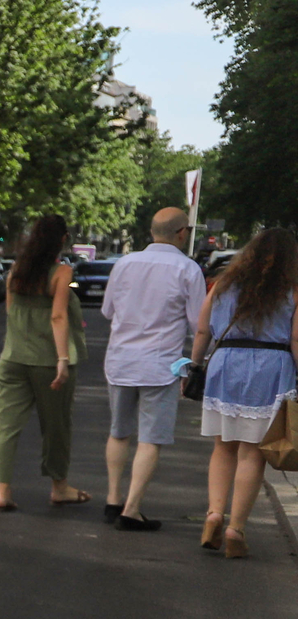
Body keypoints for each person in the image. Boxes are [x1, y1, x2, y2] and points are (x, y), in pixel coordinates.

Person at [98, 206, 206, 530]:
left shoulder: (124, 264)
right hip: (160, 365)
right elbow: (198, 324)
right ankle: (132, 510)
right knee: (150, 439)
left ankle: (113, 500)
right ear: (182, 233)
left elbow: (106, 311)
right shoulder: (188, 269)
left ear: (151, 232)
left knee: (118, 432)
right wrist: (196, 364)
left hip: (120, 360)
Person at [193, 227, 298, 559]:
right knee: (252, 453)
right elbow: (296, 340)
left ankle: (213, 514)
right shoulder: (293, 291)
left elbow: (202, 329)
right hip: (271, 366)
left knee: (222, 447)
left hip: (226, 364)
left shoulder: (224, 284)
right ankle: (235, 528)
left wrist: (194, 367)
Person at [0, 213, 91, 512]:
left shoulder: (17, 271)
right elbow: (57, 316)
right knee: (56, 426)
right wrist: (62, 359)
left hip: (12, 358)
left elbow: (11, 312)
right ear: (62, 239)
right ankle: (59, 487)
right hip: (47, 361)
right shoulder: (61, 272)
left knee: (5, 425)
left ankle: (2, 491)